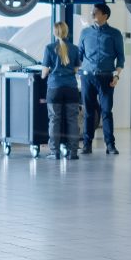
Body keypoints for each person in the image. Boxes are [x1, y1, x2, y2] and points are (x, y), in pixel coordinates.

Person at [77, 2, 125, 155]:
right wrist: (77, 74)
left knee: (106, 112)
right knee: (89, 112)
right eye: (92, 12)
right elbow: (79, 56)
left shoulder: (115, 34)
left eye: (95, 12)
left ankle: (110, 145)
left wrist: (117, 76)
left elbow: (121, 58)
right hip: (87, 78)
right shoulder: (85, 33)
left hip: (106, 78)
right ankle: (87, 144)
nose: (92, 14)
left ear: (105, 15)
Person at [42, 21, 82, 160]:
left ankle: (55, 152)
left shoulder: (49, 48)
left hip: (55, 88)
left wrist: (48, 72)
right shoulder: (75, 49)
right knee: (72, 120)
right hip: (71, 88)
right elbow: (77, 69)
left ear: (55, 32)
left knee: (54, 120)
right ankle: (73, 152)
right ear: (66, 31)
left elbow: (44, 72)